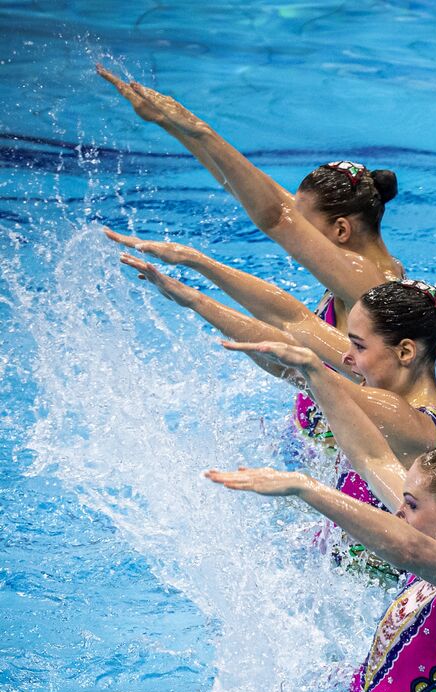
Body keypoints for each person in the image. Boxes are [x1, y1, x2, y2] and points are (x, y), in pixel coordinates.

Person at [207, 340, 436, 692]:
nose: (399, 512)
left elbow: (409, 551)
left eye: (411, 504)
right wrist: (313, 371)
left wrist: (309, 489)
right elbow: (371, 457)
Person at [98, 65, 404, 440]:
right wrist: (169, 124)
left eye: (305, 228)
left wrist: (200, 128)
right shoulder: (354, 275)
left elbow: (275, 218)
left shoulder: (373, 286)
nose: (297, 238)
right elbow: (257, 196)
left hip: (352, 463)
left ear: (341, 229)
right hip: (321, 440)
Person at [118, 253, 436, 578]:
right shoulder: (389, 384)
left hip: (368, 587)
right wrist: (196, 290)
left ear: (404, 351)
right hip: (336, 558)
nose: (346, 358)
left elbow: (303, 371)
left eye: (358, 346)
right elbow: (294, 321)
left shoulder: (404, 418)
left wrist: (198, 297)